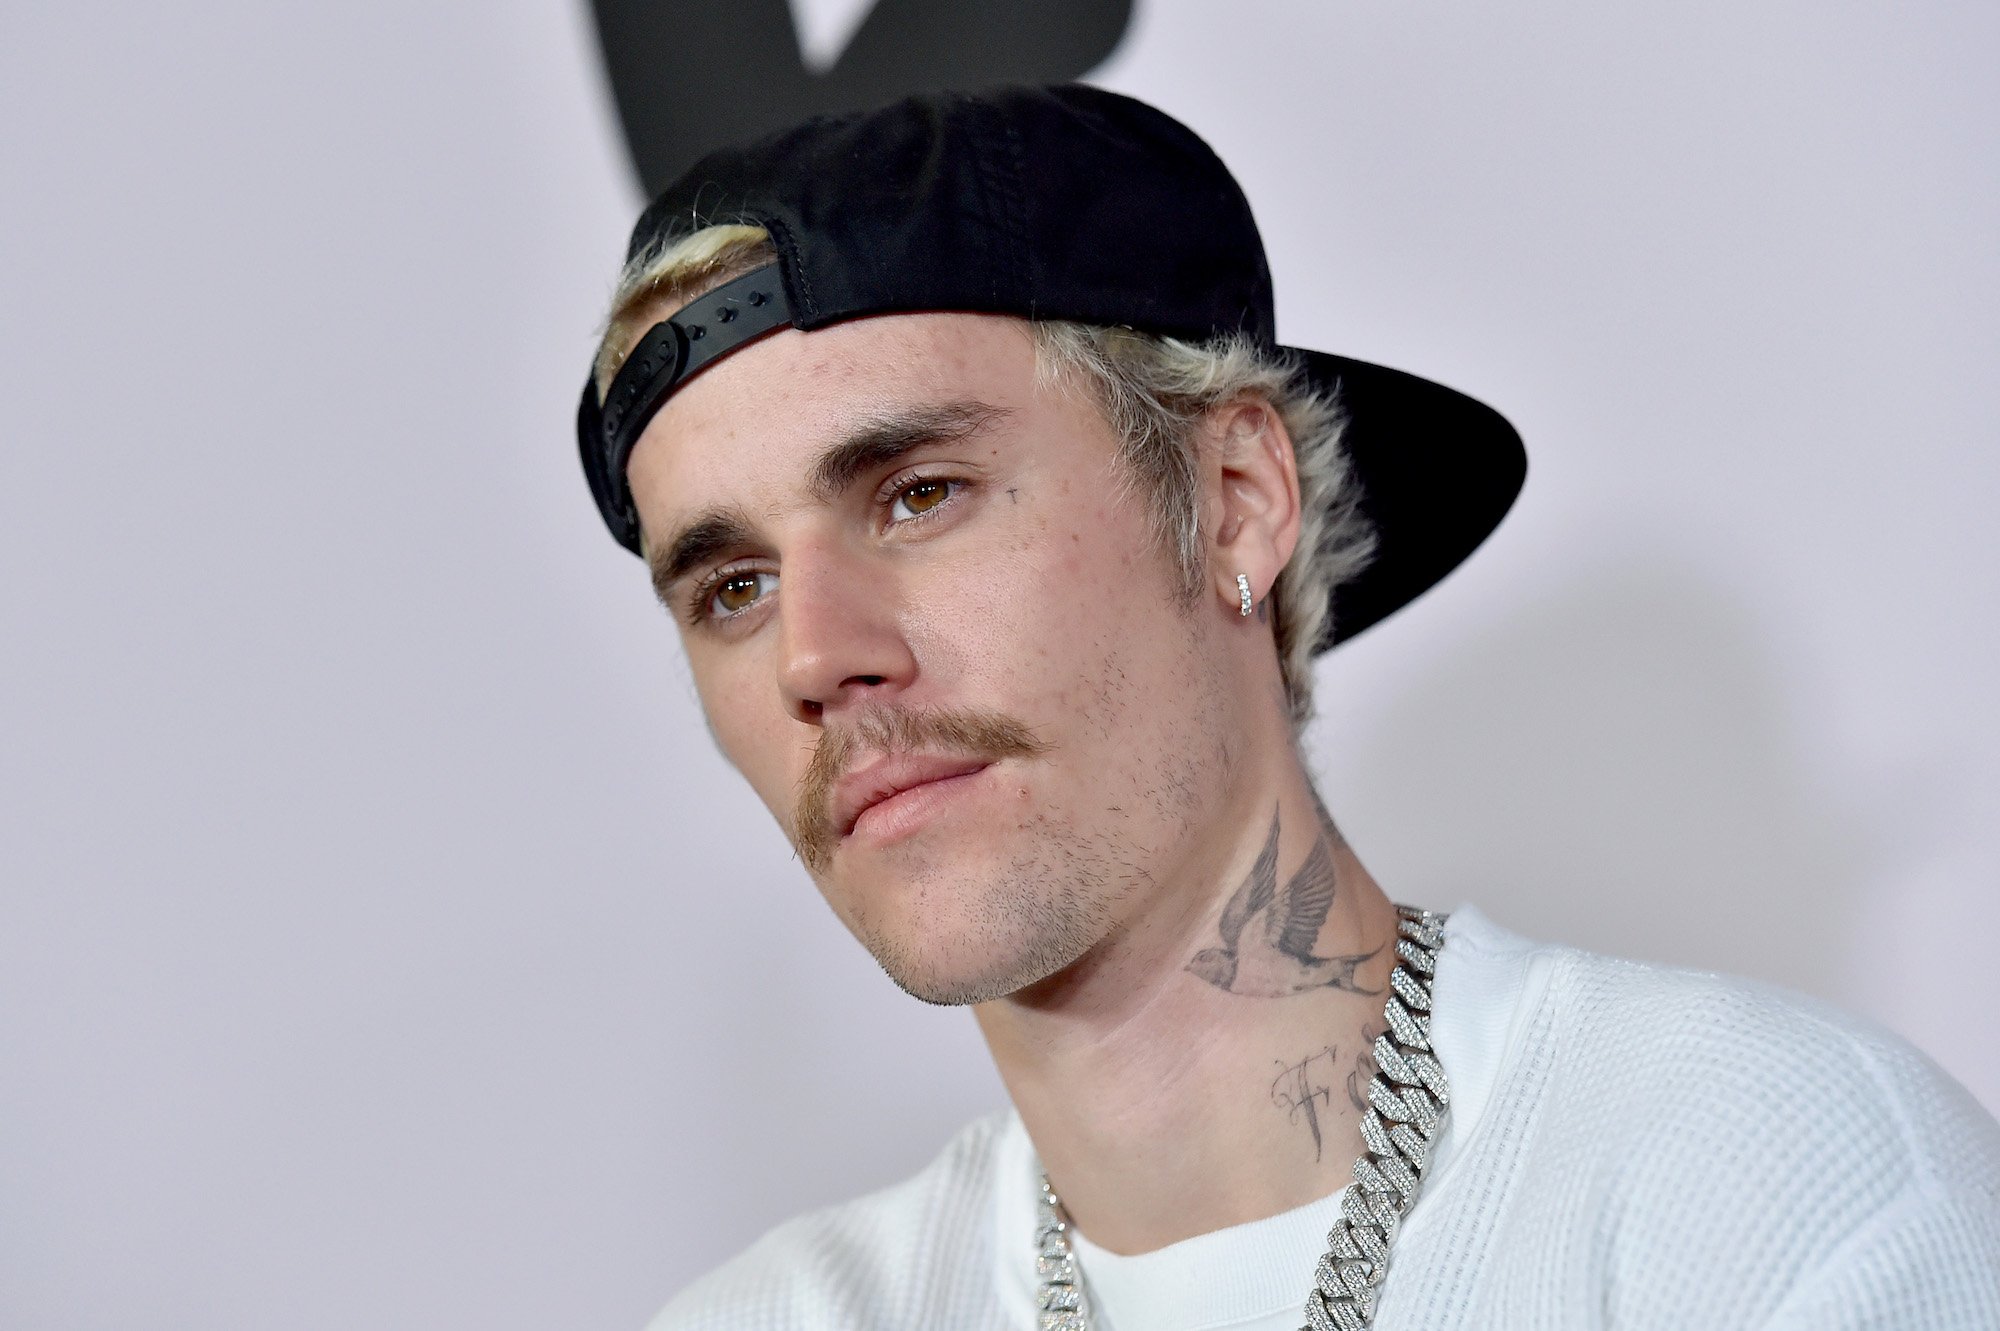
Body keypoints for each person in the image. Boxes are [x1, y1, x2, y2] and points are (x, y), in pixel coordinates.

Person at [573, 84, 2000, 1331]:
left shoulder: (1766, 1192)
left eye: (918, 495)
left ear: (1235, 502)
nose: (815, 653)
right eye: (732, 587)